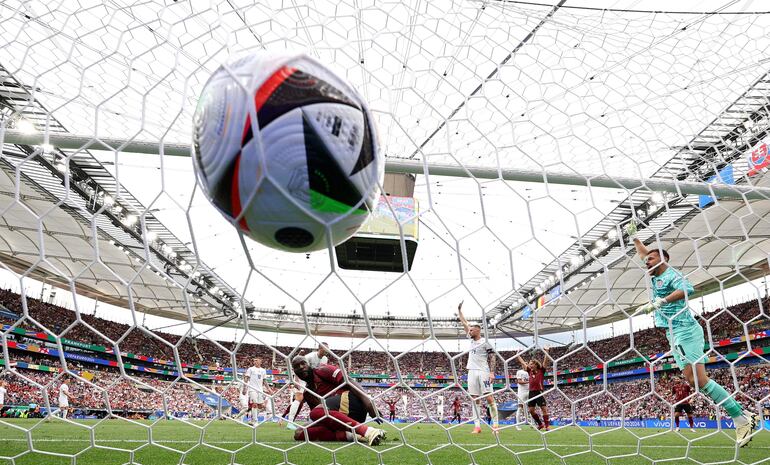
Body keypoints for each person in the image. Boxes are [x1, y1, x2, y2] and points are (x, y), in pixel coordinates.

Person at [626, 220, 758, 447]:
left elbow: (688, 289)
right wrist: (634, 239)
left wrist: (660, 301)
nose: (646, 260)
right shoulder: (655, 272)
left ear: (664, 259)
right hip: (672, 332)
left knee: (699, 379)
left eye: (651, 258)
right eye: (646, 258)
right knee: (694, 381)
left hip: (685, 329)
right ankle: (743, 415)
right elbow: (643, 253)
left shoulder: (670, 274)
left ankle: (740, 419)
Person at [290, 355, 386, 446]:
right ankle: (350, 435)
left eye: (303, 363)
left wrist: (369, 403)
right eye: (297, 366)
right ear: (294, 371)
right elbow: (321, 417)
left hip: (353, 403)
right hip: (342, 417)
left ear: (309, 364)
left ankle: (368, 431)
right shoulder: (308, 393)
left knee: (315, 413)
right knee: (299, 433)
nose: (301, 367)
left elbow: (349, 381)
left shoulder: (323, 370)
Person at [457, 302, 499, 434]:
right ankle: (477, 426)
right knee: (474, 398)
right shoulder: (471, 340)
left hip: (483, 371)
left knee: (489, 398)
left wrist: (492, 372)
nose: (469, 331)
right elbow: (464, 323)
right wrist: (459, 311)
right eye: (469, 330)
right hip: (471, 371)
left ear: (478, 330)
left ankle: (496, 426)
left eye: (471, 330)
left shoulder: (485, 342)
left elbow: (492, 357)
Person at [287, 342, 330, 426]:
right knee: (299, 397)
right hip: (302, 378)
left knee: (316, 401)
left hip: (311, 381)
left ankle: (315, 420)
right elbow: (297, 367)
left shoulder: (325, 359)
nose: (327, 350)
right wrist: (296, 380)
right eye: (326, 348)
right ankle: (290, 422)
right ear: (320, 348)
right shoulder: (309, 356)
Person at [517, 348, 549, 430]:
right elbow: (522, 363)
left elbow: (545, 362)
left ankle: (547, 426)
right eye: (530, 364)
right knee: (531, 410)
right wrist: (518, 355)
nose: (530, 365)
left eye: (531, 364)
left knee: (544, 409)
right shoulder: (529, 371)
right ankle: (540, 424)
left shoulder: (541, 371)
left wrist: (547, 352)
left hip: (539, 392)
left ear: (536, 364)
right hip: (531, 392)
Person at [243, 357, 273, 425]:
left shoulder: (263, 370)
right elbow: (246, 378)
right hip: (252, 389)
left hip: (260, 390)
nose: (255, 362)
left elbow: (265, 381)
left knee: (260, 406)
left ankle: (253, 419)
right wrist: (245, 388)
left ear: (260, 362)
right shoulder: (250, 369)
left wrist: (269, 389)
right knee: (254, 404)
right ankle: (255, 421)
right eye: (254, 361)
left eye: (257, 360)